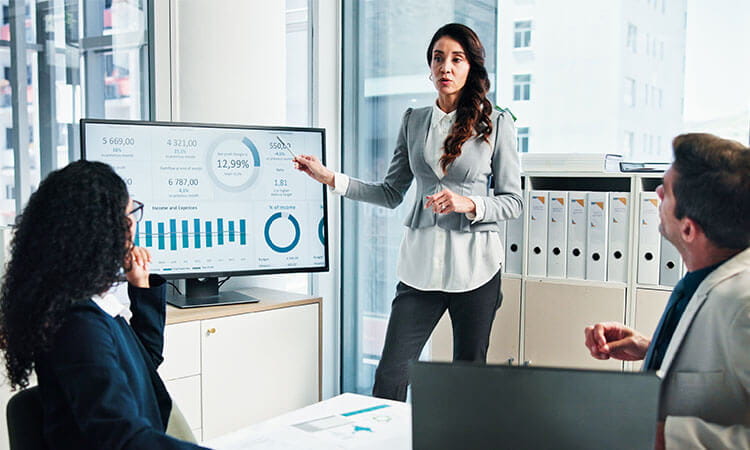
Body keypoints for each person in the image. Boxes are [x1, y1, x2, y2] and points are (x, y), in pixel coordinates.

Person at [294, 23, 523, 401]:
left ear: (471, 68)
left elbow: (513, 201)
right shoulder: (413, 120)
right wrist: (328, 177)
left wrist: (470, 203)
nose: (445, 67)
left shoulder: (496, 124)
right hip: (420, 270)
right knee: (390, 377)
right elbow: (389, 192)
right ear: (429, 67)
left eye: (456, 59)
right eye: (438, 58)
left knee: (468, 383)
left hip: (476, 270)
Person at [0, 161, 207, 449]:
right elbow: (121, 437)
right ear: (102, 229)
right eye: (128, 213)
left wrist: (140, 286)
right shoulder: (77, 321)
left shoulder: (91, 303)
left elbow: (145, 362)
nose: (133, 223)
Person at [584, 133, 750, 449]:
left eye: (668, 191)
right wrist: (653, 349)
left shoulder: (743, 304)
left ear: (688, 229)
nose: (657, 192)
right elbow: (730, 386)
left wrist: (667, 435)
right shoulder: (707, 277)